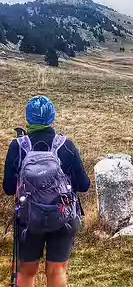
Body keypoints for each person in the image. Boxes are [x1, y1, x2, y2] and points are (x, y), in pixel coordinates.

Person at [2, 95, 90, 287]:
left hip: (28, 220)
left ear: (28, 118)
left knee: (26, 272)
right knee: (57, 270)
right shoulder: (66, 145)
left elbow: (8, 189)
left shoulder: (17, 146)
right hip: (63, 217)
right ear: (52, 117)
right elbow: (84, 185)